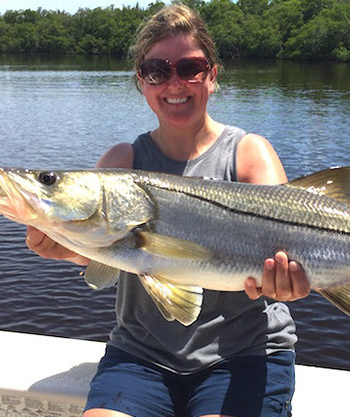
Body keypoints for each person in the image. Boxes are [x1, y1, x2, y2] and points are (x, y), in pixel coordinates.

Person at [26, 4, 310, 417]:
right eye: (157, 70)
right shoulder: (121, 162)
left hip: (243, 355)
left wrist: (290, 283)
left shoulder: (248, 154)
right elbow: (108, 258)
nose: (174, 82)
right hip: (140, 356)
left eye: (190, 68)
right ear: (141, 82)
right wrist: (64, 247)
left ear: (212, 75)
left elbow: (293, 249)